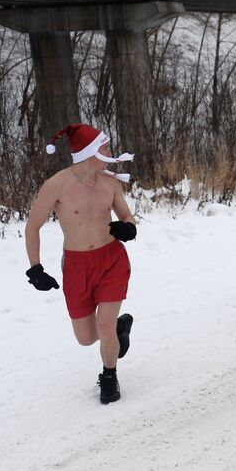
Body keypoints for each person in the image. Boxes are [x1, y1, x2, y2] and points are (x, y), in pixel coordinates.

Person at [24, 123, 138, 405]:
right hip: (76, 266)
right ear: (89, 151)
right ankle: (118, 332)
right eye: (105, 146)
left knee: (104, 324)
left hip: (111, 261)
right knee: (87, 338)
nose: (111, 151)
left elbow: (127, 216)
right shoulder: (56, 185)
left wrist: (128, 229)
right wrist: (35, 268)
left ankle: (109, 376)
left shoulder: (110, 182)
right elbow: (32, 227)